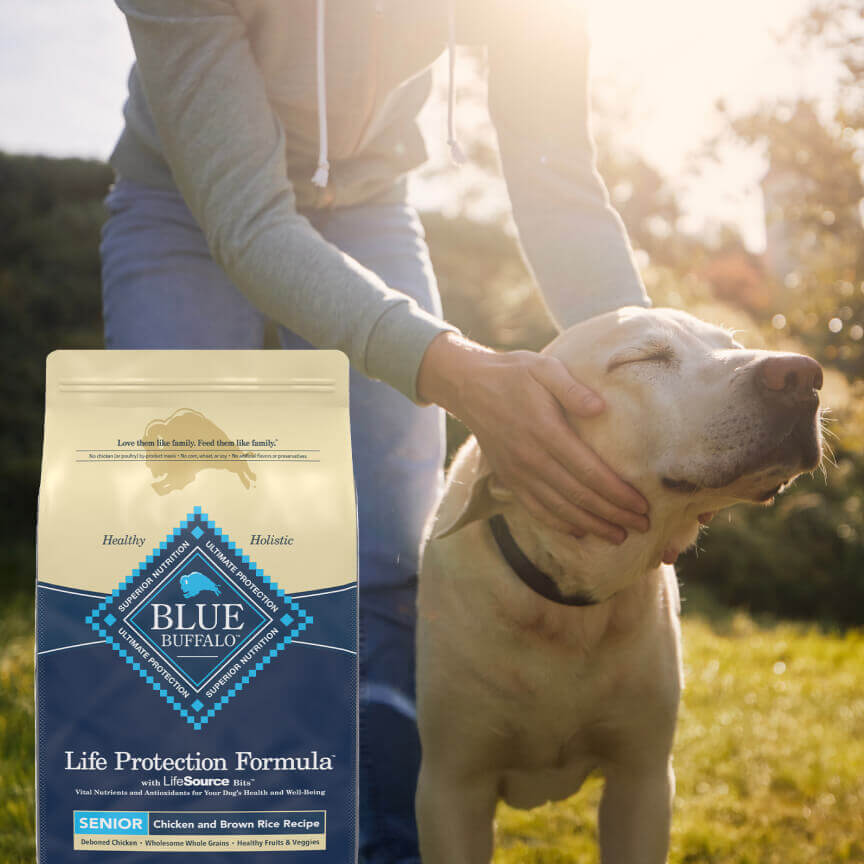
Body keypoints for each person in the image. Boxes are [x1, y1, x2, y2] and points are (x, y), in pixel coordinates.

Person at [100, 0, 652, 860]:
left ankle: (387, 840)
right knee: (181, 542)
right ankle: (198, 833)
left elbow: (560, 189)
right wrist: (461, 375)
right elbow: (249, 225)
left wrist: (659, 383)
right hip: (183, 201)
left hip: (365, 202)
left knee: (392, 543)